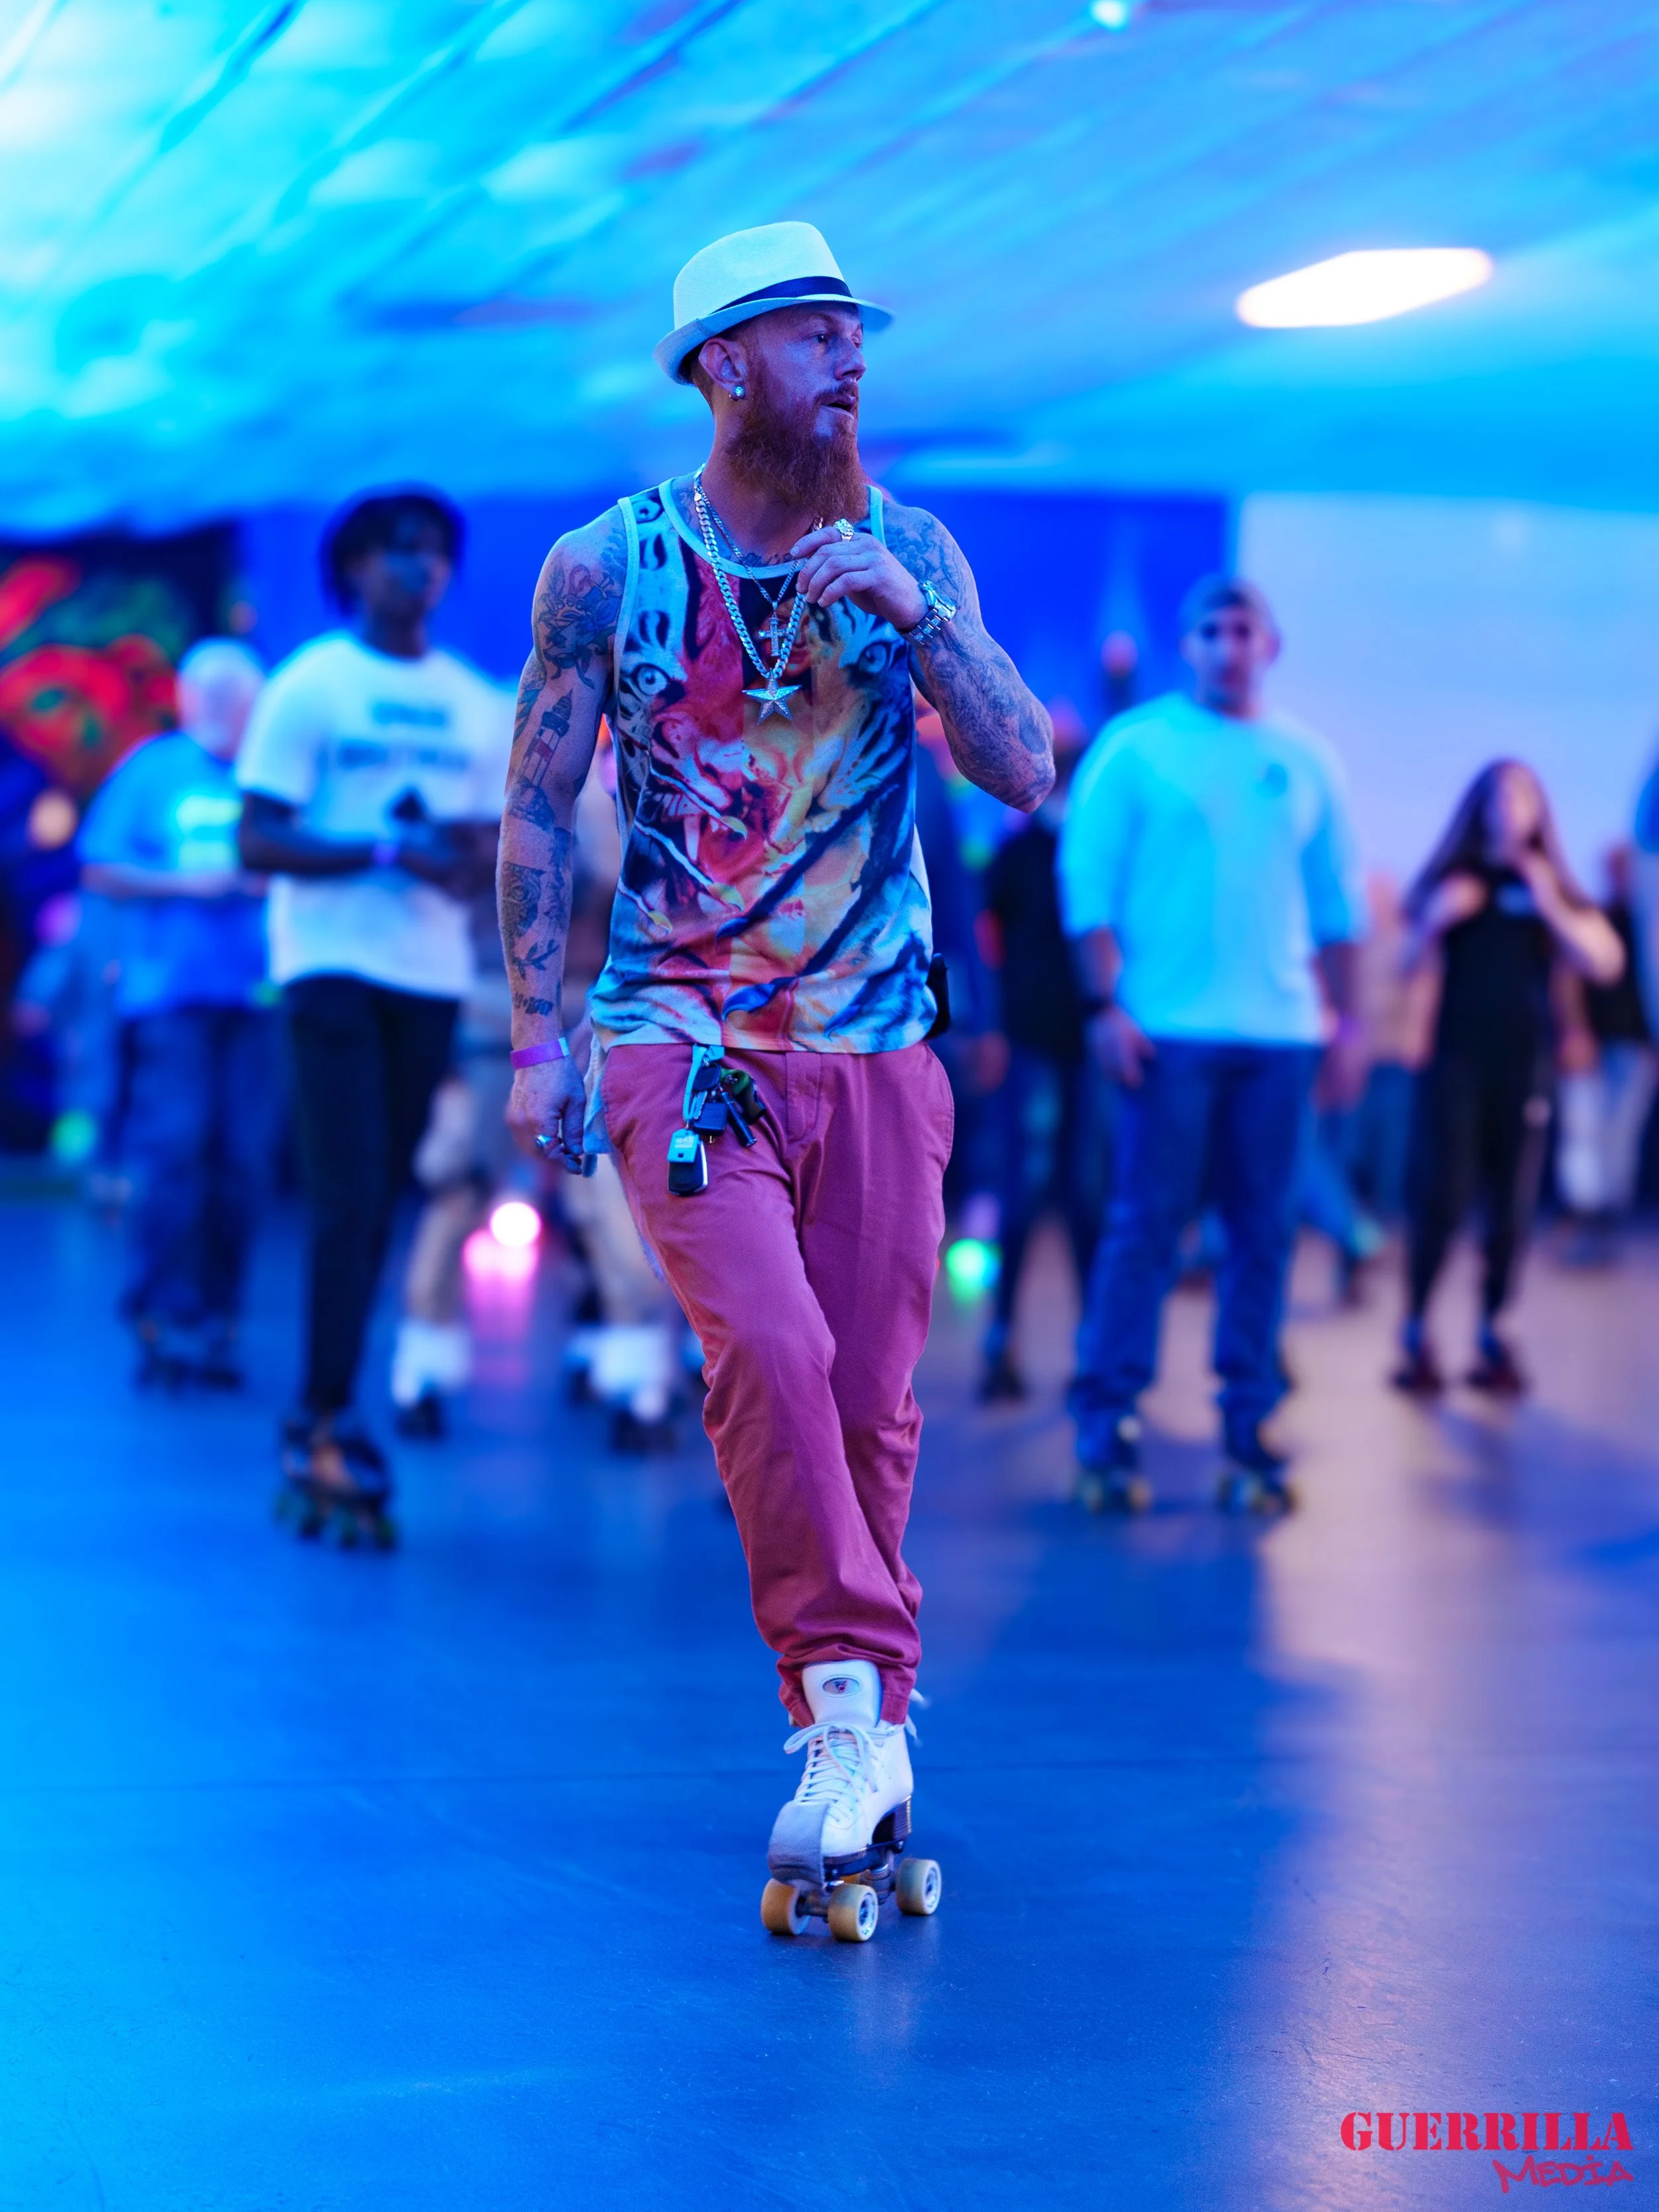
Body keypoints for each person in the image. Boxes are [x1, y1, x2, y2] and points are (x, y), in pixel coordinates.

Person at [499, 222, 1052, 1935]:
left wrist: (918, 620)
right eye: (814, 333)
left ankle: (865, 1722)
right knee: (771, 1350)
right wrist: (535, 1035)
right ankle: (844, 1703)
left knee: (870, 1398)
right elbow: (537, 804)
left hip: (875, 1038)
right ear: (722, 365)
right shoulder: (605, 567)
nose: (850, 358)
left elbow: (1025, 768)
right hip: (680, 1037)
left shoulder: (912, 543)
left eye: (852, 332)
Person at [1059, 576, 1366, 1514]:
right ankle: (1108, 1427)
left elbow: (1338, 912)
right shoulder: (1135, 748)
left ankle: (1247, 1429)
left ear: (1270, 646)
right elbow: (1087, 887)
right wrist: (1105, 1006)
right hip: (1167, 1037)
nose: (1229, 646)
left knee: (1264, 1238)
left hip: (1281, 1039)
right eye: (1211, 631)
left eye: (1244, 631)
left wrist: (1350, 1026)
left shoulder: (1306, 761)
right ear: (1187, 645)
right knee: (1145, 1232)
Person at [236, 490, 509, 1539]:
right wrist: (388, 850)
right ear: (351, 568)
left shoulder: (472, 701)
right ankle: (323, 1415)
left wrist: (467, 863)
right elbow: (257, 839)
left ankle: (328, 1402)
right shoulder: (313, 684)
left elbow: (488, 841)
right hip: (330, 963)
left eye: (434, 551)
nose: (417, 567)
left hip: (428, 974)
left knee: (384, 1196)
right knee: (347, 1198)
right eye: (396, 550)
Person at [78, 639, 275, 1386]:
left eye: (235, 695)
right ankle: (157, 1310)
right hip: (170, 994)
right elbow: (100, 865)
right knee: (175, 1153)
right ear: (185, 700)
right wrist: (186, 886)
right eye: (208, 694)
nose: (221, 708)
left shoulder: (273, 768)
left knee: (243, 1162)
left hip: (258, 994)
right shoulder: (153, 768)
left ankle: (219, 1315)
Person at [1393, 762, 1623, 1394]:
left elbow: (1604, 961)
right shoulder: (1453, 880)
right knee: (1442, 1196)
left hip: (1524, 1062)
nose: (1508, 808)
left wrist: (1549, 901)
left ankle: (1495, 1325)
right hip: (1455, 1059)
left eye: (1520, 797)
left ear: (1537, 809)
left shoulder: (1550, 885)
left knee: (1512, 1204)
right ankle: (1416, 1325)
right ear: (1478, 807)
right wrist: (1435, 920)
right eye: (1496, 796)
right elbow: (1406, 964)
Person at [976, 698, 1109, 1399]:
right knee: (1029, 1194)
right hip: (1035, 1037)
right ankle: (1008, 1337)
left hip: (1081, 1040)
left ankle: (1082, 1344)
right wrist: (993, 1025)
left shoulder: (1089, 849)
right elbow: (987, 938)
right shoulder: (1021, 851)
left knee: (1082, 1195)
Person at [1553, 845, 1656, 1263]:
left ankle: (1606, 1225)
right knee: (1583, 1134)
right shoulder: (1596, 917)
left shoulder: (1649, 924)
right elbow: (1568, 978)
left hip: (1637, 1047)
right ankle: (1583, 1218)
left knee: (1620, 1137)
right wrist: (1576, 1030)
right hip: (1593, 1044)